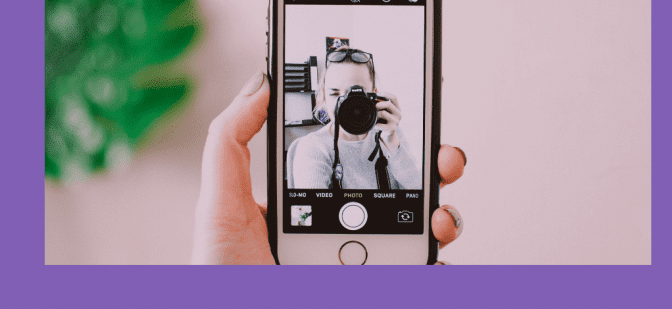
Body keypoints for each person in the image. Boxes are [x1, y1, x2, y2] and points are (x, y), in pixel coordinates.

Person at [191, 71, 467, 265]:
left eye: (360, 94)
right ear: (322, 99)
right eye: (336, 93)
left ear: (376, 97)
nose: (349, 103)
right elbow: (310, 221)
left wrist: (393, 143)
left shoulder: (390, 137)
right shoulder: (310, 148)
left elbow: (420, 200)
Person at [289, 46, 420, 189]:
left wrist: (393, 144)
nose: (346, 104)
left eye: (355, 95)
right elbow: (309, 210)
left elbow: (420, 194)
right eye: (334, 94)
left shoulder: (390, 133)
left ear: (373, 95)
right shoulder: (314, 147)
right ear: (324, 96)